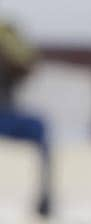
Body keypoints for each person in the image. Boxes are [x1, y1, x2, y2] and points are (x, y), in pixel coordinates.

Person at [0, 20, 52, 217]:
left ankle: (45, 197)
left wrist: (9, 51)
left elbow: (28, 66)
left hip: (7, 115)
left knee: (40, 127)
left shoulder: (6, 33)